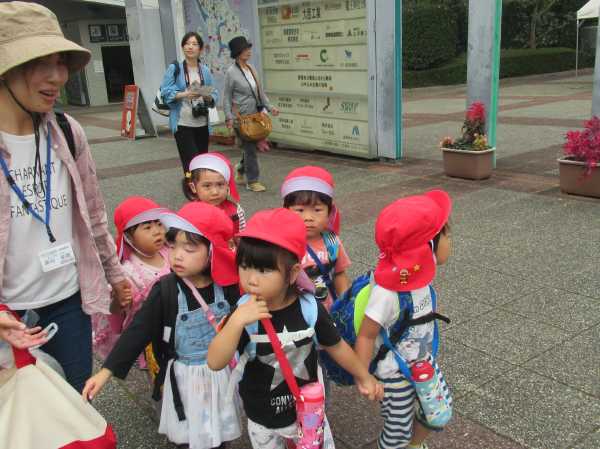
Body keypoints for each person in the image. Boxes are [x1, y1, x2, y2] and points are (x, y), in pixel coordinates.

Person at [0, 1, 130, 392]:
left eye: (60, 63)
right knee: (18, 416)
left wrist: (115, 275)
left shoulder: (66, 130)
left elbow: (93, 212)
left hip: (69, 304)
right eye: (40, 62)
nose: (57, 76)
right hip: (8, 312)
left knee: (75, 406)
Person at [207, 208, 383, 449]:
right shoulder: (243, 313)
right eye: (245, 266)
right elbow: (215, 362)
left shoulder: (309, 308)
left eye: (264, 270)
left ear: (292, 273)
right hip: (263, 417)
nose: (251, 279)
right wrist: (236, 322)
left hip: (309, 411)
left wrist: (363, 376)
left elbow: (336, 345)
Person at [83, 202, 243, 449]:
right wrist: (106, 372)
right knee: (190, 436)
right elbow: (139, 329)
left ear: (212, 250)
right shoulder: (166, 288)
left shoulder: (229, 285)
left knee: (220, 431)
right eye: (174, 245)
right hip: (185, 378)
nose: (177, 255)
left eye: (189, 249)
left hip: (222, 374)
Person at [354, 190, 454, 449]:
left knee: (438, 413)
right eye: (446, 235)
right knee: (397, 431)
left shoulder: (421, 278)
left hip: (423, 363)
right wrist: (364, 377)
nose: (451, 241)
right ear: (426, 248)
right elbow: (366, 335)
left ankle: (414, 445)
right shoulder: (386, 294)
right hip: (394, 375)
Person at [92, 197, 170, 374]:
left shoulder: (171, 252)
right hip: (151, 336)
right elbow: (116, 315)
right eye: (147, 228)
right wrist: (119, 302)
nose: (157, 232)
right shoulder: (128, 272)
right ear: (128, 237)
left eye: (159, 224)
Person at [282, 166, 351, 311]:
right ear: (286, 210)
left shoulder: (332, 241)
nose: (308, 217)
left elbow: (339, 274)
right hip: (296, 314)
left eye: (317, 210)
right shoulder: (281, 244)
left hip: (328, 312)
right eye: (300, 210)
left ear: (330, 212)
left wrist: (346, 304)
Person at [223, 36, 280, 192]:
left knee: (250, 148)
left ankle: (240, 168)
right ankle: (252, 181)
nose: (248, 51)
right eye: (245, 49)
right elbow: (226, 97)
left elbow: (260, 92)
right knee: (250, 149)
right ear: (237, 52)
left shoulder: (251, 68)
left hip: (255, 115)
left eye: (249, 48)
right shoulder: (231, 72)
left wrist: (270, 107)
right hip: (241, 117)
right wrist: (228, 117)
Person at [160, 32, 218, 173]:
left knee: (202, 161)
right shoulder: (175, 69)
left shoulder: (205, 71)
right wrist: (185, 94)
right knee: (190, 161)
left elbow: (214, 93)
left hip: (202, 122)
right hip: (182, 123)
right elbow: (165, 92)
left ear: (200, 49)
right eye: (187, 44)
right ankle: (190, 184)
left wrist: (207, 97)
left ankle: (199, 185)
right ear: (182, 47)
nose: (190, 47)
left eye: (194, 44)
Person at [183, 152, 246, 233]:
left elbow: (242, 234)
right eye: (207, 186)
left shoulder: (236, 211)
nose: (215, 192)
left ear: (227, 185)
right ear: (193, 187)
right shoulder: (189, 214)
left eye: (220, 184)